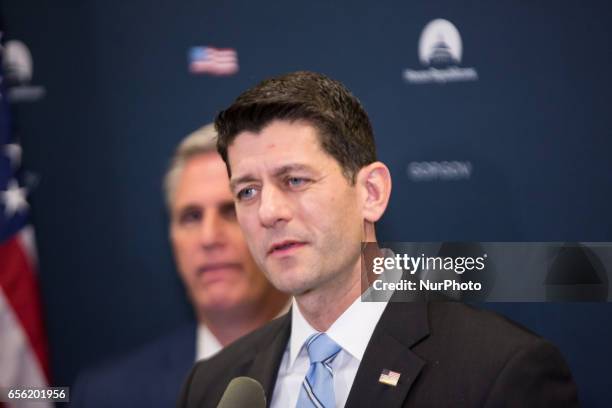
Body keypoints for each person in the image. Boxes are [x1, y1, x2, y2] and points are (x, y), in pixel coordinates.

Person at [176, 71, 579, 407]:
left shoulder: (500, 372)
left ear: (371, 193)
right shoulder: (213, 386)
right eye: (247, 191)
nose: (268, 212)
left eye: (294, 180)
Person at [70, 124, 289, 408]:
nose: (209, 238)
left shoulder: (354, 369)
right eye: (191, 217)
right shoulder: (107, 396)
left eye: (230, 211)